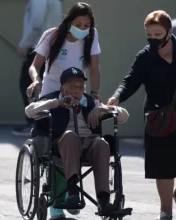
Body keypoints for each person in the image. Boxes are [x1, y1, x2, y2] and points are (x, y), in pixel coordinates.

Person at [107, 10, 176, 220]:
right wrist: (117, 97)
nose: (154, 39)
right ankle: (165, 211)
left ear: (169, 31)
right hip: (158, 117)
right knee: (162, 164)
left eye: (158, 34)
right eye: (149, 35)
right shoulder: (145, 56)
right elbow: (130, 81)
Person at [25, 2, 102, 218]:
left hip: (77, 94)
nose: (82, 28)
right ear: (69, 22)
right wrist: (36, 80)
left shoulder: (92, 36)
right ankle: (57, 205)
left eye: (86, 25)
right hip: (52, 96)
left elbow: (95, 68)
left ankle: (72, 194)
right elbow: (35, 65)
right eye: (78, 24)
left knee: (77, 142)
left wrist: (94, 94)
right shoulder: (52, 35)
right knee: (55, 145)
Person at [25, 67, 129, 216]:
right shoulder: (54, 99)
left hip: (88, 144)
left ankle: (103, 201)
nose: (77, 90)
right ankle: (72, 191)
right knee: (70, 136)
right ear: (63, 87)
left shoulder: (91, 102)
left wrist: (104, 109)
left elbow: (124, 117)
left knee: (101, 143)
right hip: (62, 145)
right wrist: (57, 103)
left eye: (81, 86)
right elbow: (29, 111)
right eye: (72, 86)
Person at [12, 0, 63, 136]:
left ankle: (33, 123)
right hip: (52, 48)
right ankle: (46, 123)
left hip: (37, 47)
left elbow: (36, 25)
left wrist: (23, 44)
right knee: (47, 85)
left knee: (27, 85)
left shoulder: (38, 1)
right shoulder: (55, 1)